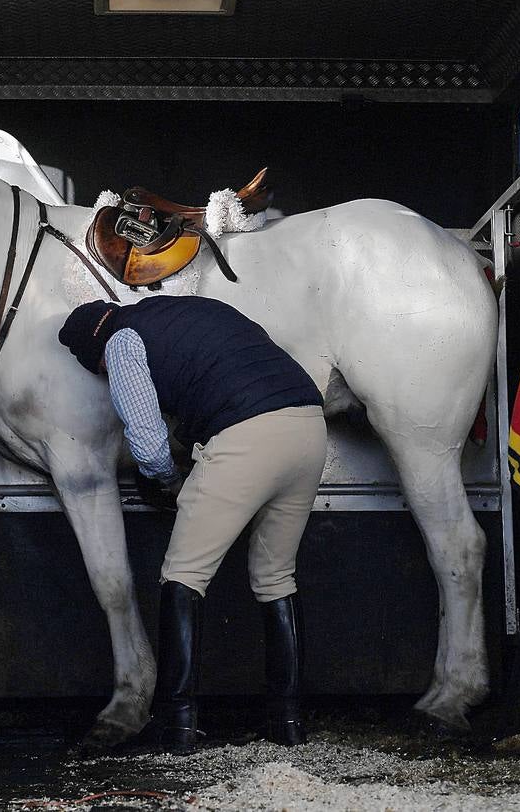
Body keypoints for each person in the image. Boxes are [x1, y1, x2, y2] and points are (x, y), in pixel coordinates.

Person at [57, 295, 327, 752]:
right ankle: (288, 722)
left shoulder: (121, 343)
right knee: (276, 576)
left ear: (95, 352)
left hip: (246, 436)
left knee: (183, 575)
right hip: (308, 425)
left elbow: (146, 437)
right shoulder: (187, 311)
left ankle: (178, 725)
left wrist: (167, 481)